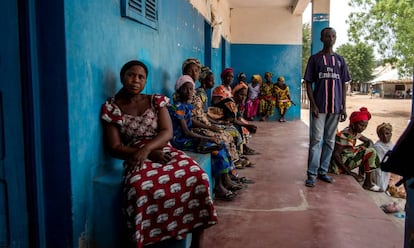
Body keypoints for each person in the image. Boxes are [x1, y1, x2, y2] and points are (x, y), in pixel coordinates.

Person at [100, 60, 217, 247]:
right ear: (122, 77)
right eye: (131, 75)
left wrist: (148, 150)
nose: (135, 80)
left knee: (198, 176)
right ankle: (145, 239)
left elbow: (167, 132)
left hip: (162, 148)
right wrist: (142, 153)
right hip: (134, 154)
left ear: (146, 81)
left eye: (141, 77)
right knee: (138, 187)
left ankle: (197, 241)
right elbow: (114, 147)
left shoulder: (155, 101)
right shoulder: (112, 108)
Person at [168, 75, 243, 201]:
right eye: (186, 89)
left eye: (191, 89)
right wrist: (205, 138)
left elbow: (191, 120)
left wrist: (209, 129)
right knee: (216, 150)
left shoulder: (186, 106)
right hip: (181, 141)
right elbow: (186, 131)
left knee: (221, 145)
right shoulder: (178, 107)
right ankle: (218, 186)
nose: (190, 92)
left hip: (190, 137)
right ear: (179, 90)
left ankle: (226, 178)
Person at [303, 27, 351, 187]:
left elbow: (344, 84)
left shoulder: (340, 60)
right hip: (320, 107)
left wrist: (343, 107)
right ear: (321, 38)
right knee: (316, 140)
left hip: (335, 108)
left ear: (335, 38)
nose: (330, 39)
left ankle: (323, 171)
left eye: (333, 36)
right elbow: (308, 83)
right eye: (327, 36)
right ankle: (311, 174)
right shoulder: (315, 59)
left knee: (330, 141)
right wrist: (313, 105)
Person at [330, 107, 382, 192]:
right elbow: (336, 155)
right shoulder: (345, 135)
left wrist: (369, 145)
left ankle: (362, 173)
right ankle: (368, 183)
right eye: (361, 125)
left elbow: (368, 141)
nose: (363, 128)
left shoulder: (354, 132)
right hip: (338, 166)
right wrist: (349, 172)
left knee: (367, 146)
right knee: (371, 152)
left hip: (348, 158)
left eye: (365, 126)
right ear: (353, 124)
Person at [372, 123, 394, 192]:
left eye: (387, 133)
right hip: (380, 170)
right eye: (382, 134)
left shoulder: (392, 145)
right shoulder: (378, 146)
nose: (385, 136)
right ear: (379, 135)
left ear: (391, 134)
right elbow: (378, 165)